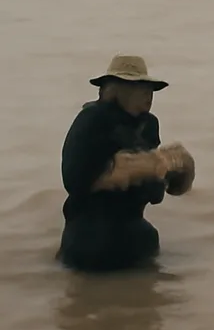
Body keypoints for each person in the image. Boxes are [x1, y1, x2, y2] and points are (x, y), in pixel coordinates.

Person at [58, 55, 195, 273]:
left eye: (150, 88)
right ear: (114, 88)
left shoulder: (149, 125)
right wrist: (141, 167)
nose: (148, 94)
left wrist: (165, 171)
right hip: (89, 239)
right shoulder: (91, 119)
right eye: (139, 86)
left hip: (133, 235)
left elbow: (156, 194)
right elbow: (73, 180)